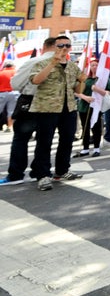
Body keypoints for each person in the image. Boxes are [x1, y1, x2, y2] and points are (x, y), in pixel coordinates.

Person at [30, 35, 86, 191]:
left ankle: (62, 170)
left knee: (67, 140)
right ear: (54, 47)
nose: (64, 48)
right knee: (44, 142)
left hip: (68, 108)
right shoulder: (41, 63)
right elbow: (36, 81)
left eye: (67, 46)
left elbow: (77, 91)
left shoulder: (73, 66)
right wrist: (52, 63)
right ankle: (42, 175)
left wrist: (82, 81)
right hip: (47, 108)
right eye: (61, 45)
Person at [0, 38, 56, 186]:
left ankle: (16, 174)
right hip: (52, 105)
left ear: (45, 46)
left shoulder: (34, 62)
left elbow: (16, 83)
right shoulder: (65, 65)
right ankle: (39, 171)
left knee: (21, 139)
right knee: (44, 140)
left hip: (31, 102)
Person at [74, 58, 110, 158]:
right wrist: (85, 97)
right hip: (84, 106)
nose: (94, 67)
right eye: (92, 65)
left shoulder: (103, 79)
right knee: (85, 127)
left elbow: (108, 93)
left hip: (96, 107)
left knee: (96, 128)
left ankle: (96, 148)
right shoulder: (85, 78)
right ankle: (85, 148)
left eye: (96, 65)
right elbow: (76, 91)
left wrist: (97, 89)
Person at [0, 60, 18, 132]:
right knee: (11, 111)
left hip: (2, 93)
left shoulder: (1, 73)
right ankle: (10, 126)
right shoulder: (17, 72)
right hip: (14, 93)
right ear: (13, 66)